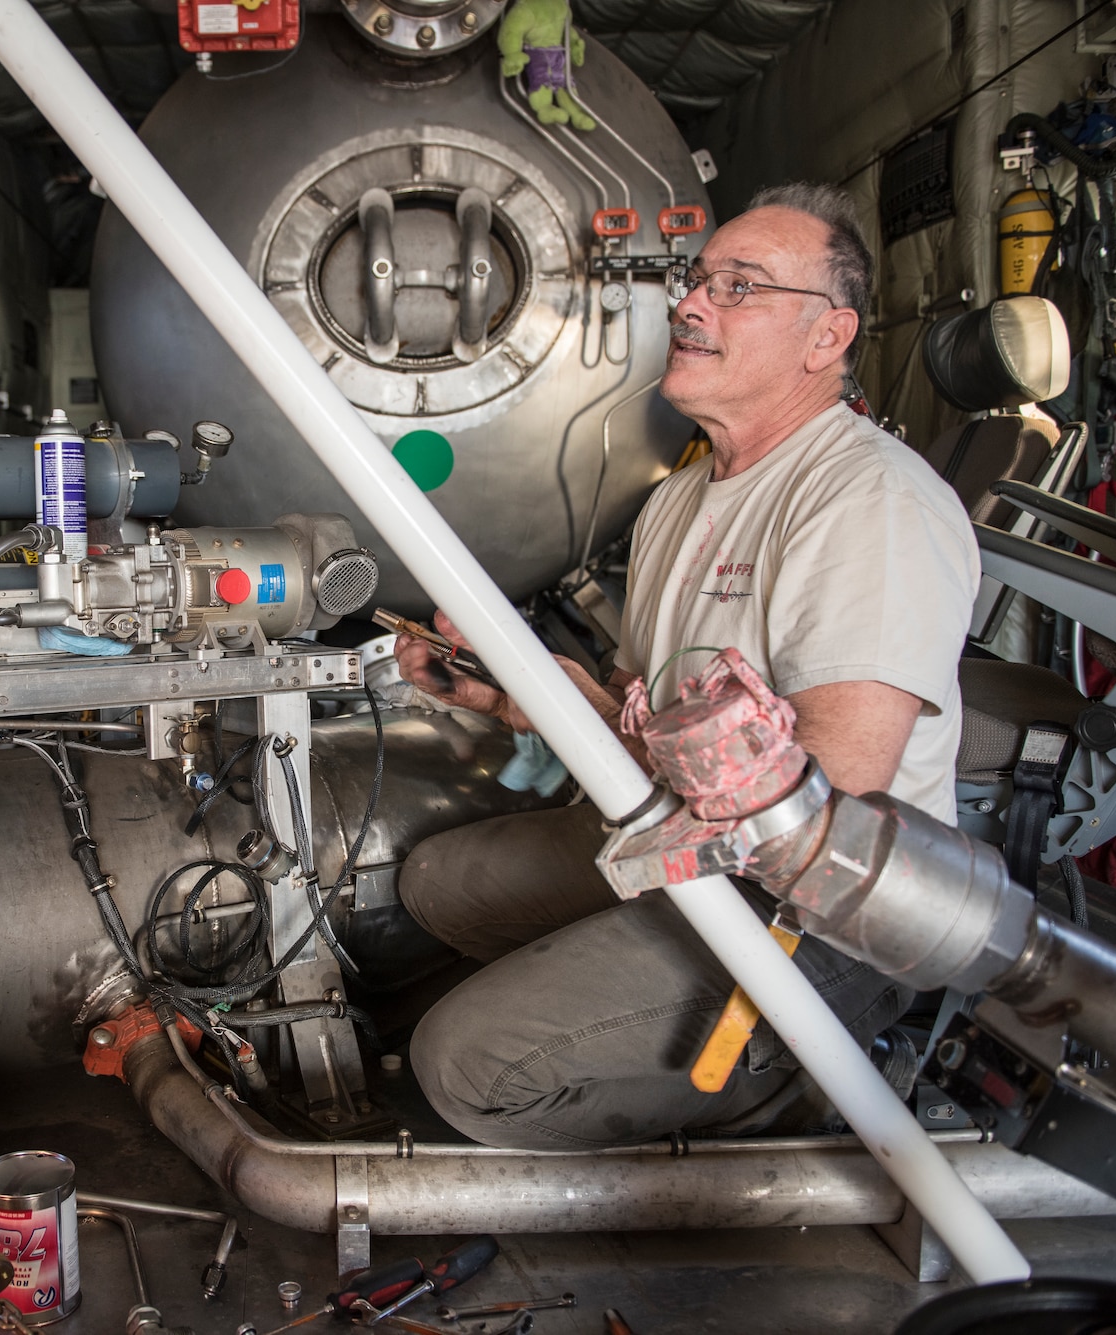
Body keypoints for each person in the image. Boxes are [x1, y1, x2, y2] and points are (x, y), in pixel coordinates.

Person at [393, 182, 980, 1150]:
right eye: (696, 281)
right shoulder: (682, 496)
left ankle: (784, 1088)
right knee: (438, 886)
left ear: (825, 338)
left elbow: (830, 799)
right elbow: (641, 705)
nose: (691, 305)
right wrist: (527, 694)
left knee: (465, 1068)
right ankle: (616, 1004)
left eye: (738, 287)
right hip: (680, 840)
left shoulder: (868, 501)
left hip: (818, 907)